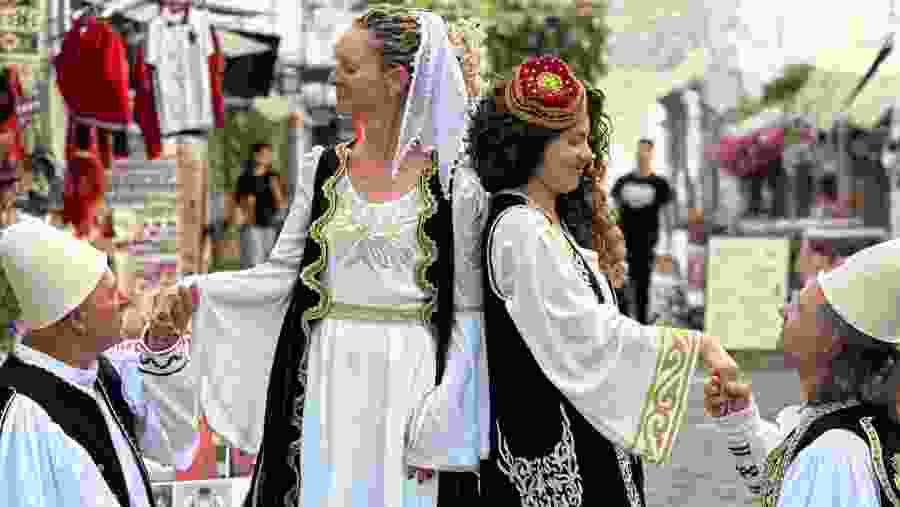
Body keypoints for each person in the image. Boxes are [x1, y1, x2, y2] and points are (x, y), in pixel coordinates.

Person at [150, 5, 487, 507]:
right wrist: (198, 291)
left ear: (395, 79)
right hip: (326, 375)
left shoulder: (454, 185)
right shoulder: (322, 169)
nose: (335, 79)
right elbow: (279, 277)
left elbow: (467, 311)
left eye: (350, 68)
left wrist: (447, 412)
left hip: (411, 380)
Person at [468, 55, 738, 506]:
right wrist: (698, 347)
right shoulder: (520, 229)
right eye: (574, 141)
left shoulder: (542, 224)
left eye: (588, 140)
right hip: (553, 463)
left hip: (579, 449)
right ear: (532, 145)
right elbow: (588, 335)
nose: (588, 155)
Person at [0, 220, 199, 507]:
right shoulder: (21, 415)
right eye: (110, 292)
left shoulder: (103, 375)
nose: (124, 300)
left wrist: (161, 346)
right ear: (78, 320)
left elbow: (176, 448)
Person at [704, 238, 900, 507]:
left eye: (798, 308)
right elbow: (789, 477)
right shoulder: (848, 434)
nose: (782, 310)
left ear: (828, 340)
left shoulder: (834, 454)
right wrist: (741, 424)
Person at [611, 138, 675, 324]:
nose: (642, 155)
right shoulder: (622, 182)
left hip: (647, 243)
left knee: (642, 285)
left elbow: (668, 216)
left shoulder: (659, 184)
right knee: (621, 283)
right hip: (622, 243)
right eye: (639, 151)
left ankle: (641, 323)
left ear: (652, 154)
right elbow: (612, 213)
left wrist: (668, 247)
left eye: (646, 151)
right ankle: (622, 322)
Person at [235, 142, 288, 268]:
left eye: (269, 154)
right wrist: (241, 217)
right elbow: (240, 203)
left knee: (268, 262)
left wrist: (277, 193)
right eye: (264, 154)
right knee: (254, 261)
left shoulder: (273, 177)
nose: (267, 157)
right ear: (255, 155)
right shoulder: (245, 178)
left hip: (270, 225)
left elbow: (282, 203)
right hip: (251, 226)